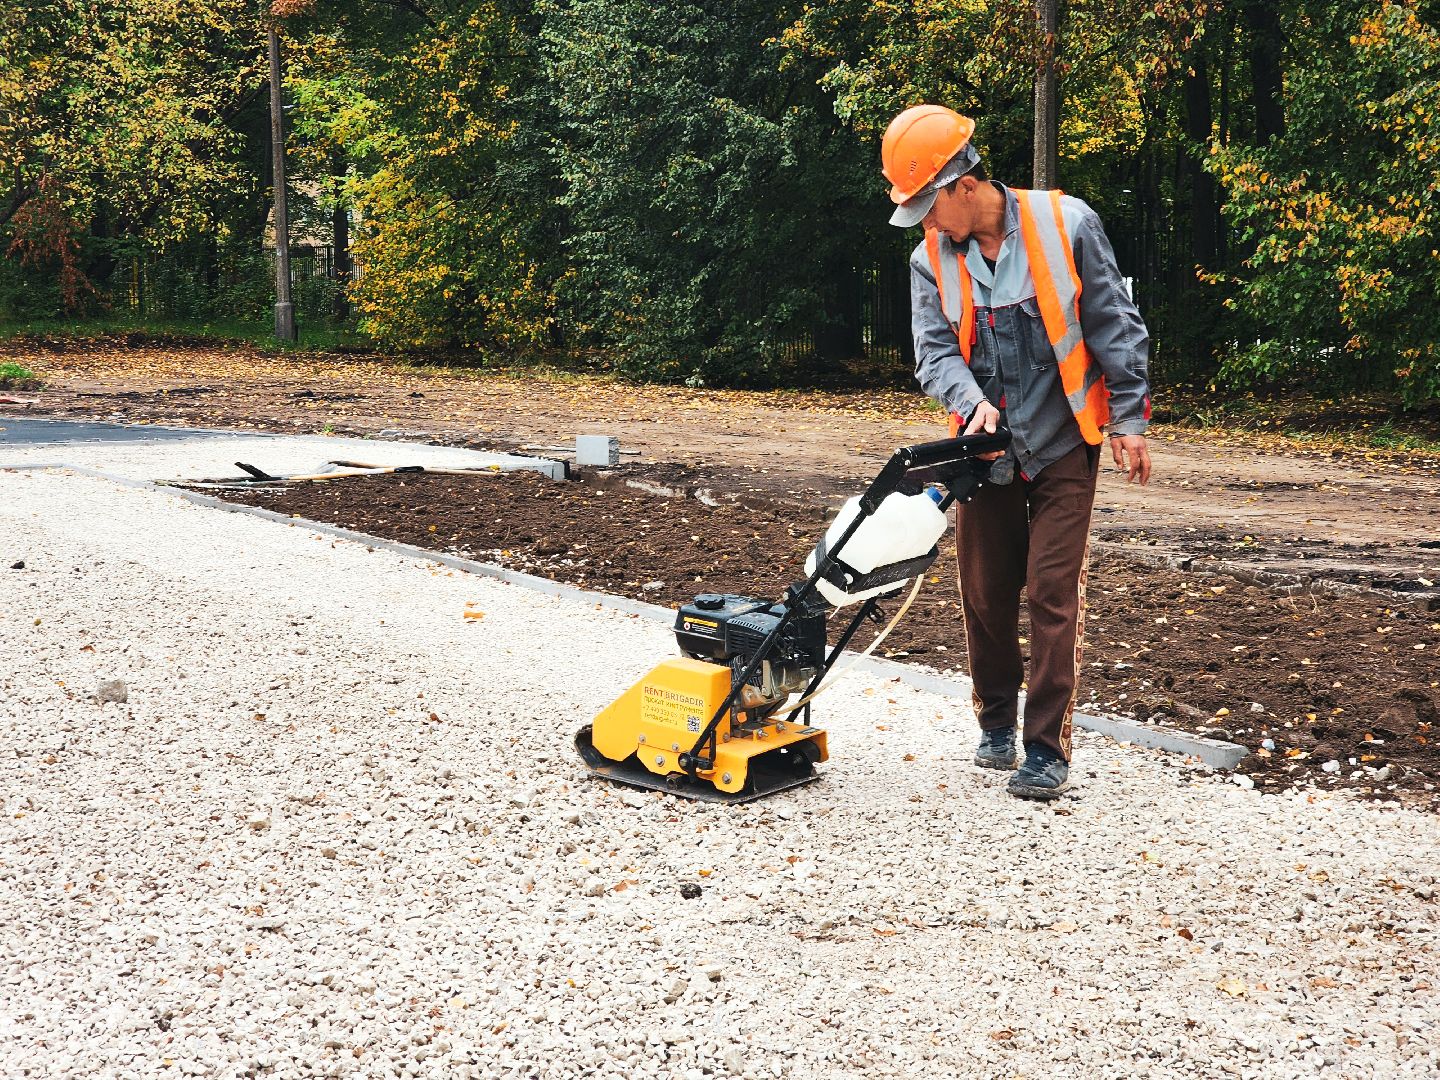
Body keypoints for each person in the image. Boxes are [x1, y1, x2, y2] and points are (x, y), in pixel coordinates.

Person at [881, 104, 1153, 801]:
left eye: (930, 207)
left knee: (1054, 593)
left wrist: (1129, 416)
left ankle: (1046, 748)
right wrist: (970, 399)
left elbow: (1113, 323)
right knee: (985, 592)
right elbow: (932, 352)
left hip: (1065, 441)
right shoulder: (928, 260)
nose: (928, 225)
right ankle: (996, 722)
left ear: (964, 184)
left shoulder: (1068, 225)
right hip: (984, 451)